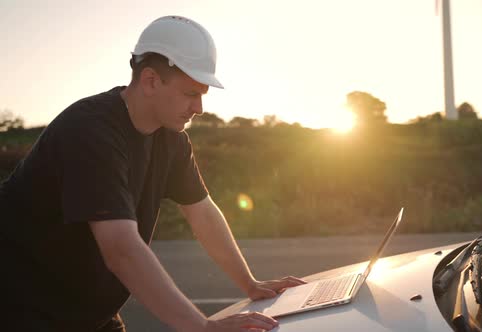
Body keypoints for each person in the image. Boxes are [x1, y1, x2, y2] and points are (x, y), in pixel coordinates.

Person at [0, 15, 304, 331]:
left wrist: (251, 284)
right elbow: (121, 248)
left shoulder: (171, 138)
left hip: (89, 314)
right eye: (191, 93)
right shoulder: (90, 131)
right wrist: (201, 328)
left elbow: (202, 213)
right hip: (20, 308)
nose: (199, 107)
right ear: (150, 81)